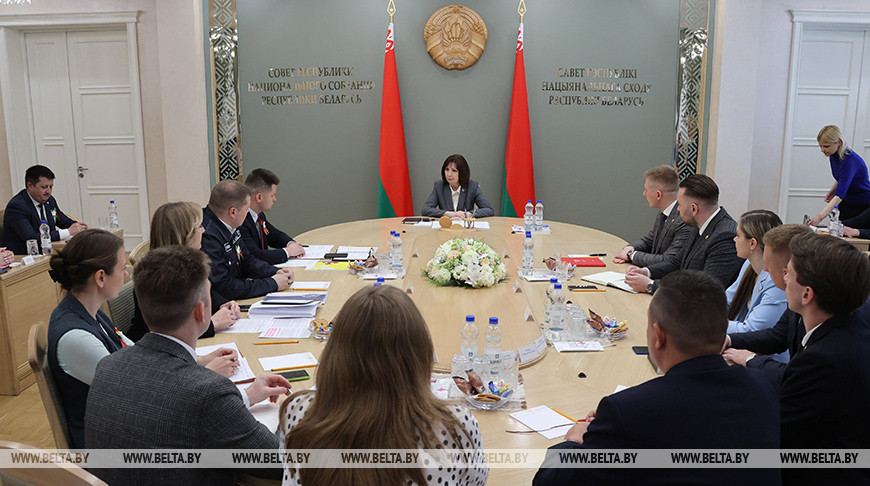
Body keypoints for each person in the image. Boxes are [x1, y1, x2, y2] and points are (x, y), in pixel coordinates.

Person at [532, 270, 780, 485]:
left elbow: (550, 481)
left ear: (658, 336)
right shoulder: (763, 387)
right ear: (724, 328)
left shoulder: (629, 411)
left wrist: (575, 441)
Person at [85, 246, 292, 484]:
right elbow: (278, 461)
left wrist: (244, 397)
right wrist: (296, 411)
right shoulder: (207, 391)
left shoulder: (107, 366)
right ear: (201, 312)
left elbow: (170, 411)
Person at [280, 285, 488, 486]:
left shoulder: (298, 413)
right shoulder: (455, 425)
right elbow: (475, 481)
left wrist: (302, 402)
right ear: (419, 354)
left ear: (335, 351)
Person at [776, 233, 870, 485]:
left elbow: (778, 438)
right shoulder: (854, 328)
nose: (784, 278)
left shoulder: (821, 361)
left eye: (789, 273)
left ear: (807, 294)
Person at [46, 229, 131, 449]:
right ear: (101, 277)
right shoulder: (75, 338)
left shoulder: (91, 311)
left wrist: (196, 361)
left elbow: (131, 351)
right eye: (122, 269)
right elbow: (132, 389)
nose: (126, 275)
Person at [126, 202, 241, 342]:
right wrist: (212, 324)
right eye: (199, 226)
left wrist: (223, 303)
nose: (203, 230)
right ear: (186, 235)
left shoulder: (186, 264)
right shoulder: (158, 276)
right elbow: (167, 332)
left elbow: (203, 291)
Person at [723, 224, 813, 387]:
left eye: (769, 264)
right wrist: (728, 340)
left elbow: (795, 378)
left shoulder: (826, 321)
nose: (765, 269)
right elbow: (777, 336)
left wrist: (751, 359)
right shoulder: (797, 299)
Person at [624, 174, 743, 294]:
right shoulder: (698, 224)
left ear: (693, 209)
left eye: (680, 205)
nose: (678, 209)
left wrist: (650, 285)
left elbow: (707, 290)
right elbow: (676, 263)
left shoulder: (725, 237)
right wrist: (647, 272)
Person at [201, 180, 292, 300]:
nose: (248, 213)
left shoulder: (230, 223)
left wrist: (275, 272)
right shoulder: (207, 237)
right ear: (233, 212)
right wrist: (271, 284)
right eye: (246, 209)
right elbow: (225, 286)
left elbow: (246, 260)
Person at [613, 165, 692, 267]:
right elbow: (650, 240)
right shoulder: (663, 213)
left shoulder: (684, 220)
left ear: (658, 195)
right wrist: (629, 248)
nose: (644, 194)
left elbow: (668, 260)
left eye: (646, 190)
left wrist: (631, 255)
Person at [724, 210, 786, 340]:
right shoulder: (748, 264)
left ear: (752, 243)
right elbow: (727, 299)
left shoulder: (775, 281)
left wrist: (712, 324)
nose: (734, 239)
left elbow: (753, 329)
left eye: (738, 235)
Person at [3, 164, 87, 254]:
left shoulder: (49, 201)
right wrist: (68, 232)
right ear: (30, 185)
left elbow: (61, 219)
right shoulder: (17, 207)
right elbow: (31, 238)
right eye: (44, 187)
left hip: (48, 252)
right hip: (23, 256)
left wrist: (82, 228)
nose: (48, 191)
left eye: (51, 187)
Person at [806, 125, 870, 225]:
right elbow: (842, 177)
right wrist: (833, 189)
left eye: (826, 146)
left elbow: (839, 195)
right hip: (847, 201)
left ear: (839, 142)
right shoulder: (833, 155)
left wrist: (819, 217)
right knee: (836, 229)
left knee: (847, 230)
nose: (822, 150)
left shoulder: (849, 161)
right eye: (821, 146)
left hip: (862, 205)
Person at [240, 168, 305, 264]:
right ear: (259, 197)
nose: (275, 199)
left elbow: (275, 236)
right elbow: (255, 255)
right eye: (272, 195)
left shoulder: (259, 215)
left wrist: (292, 244)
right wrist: (288, 252)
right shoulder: (240, 220)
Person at [421, 154, 494, 219]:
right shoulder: (439, 186)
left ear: (462, 172)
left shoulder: (472, 186)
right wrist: (448, 214)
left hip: (465, 228)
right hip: (446, 227)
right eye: (447, 169)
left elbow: (489, 210)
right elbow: (425, 209)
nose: (449, 174)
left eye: (454, 170)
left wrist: (469, 214)